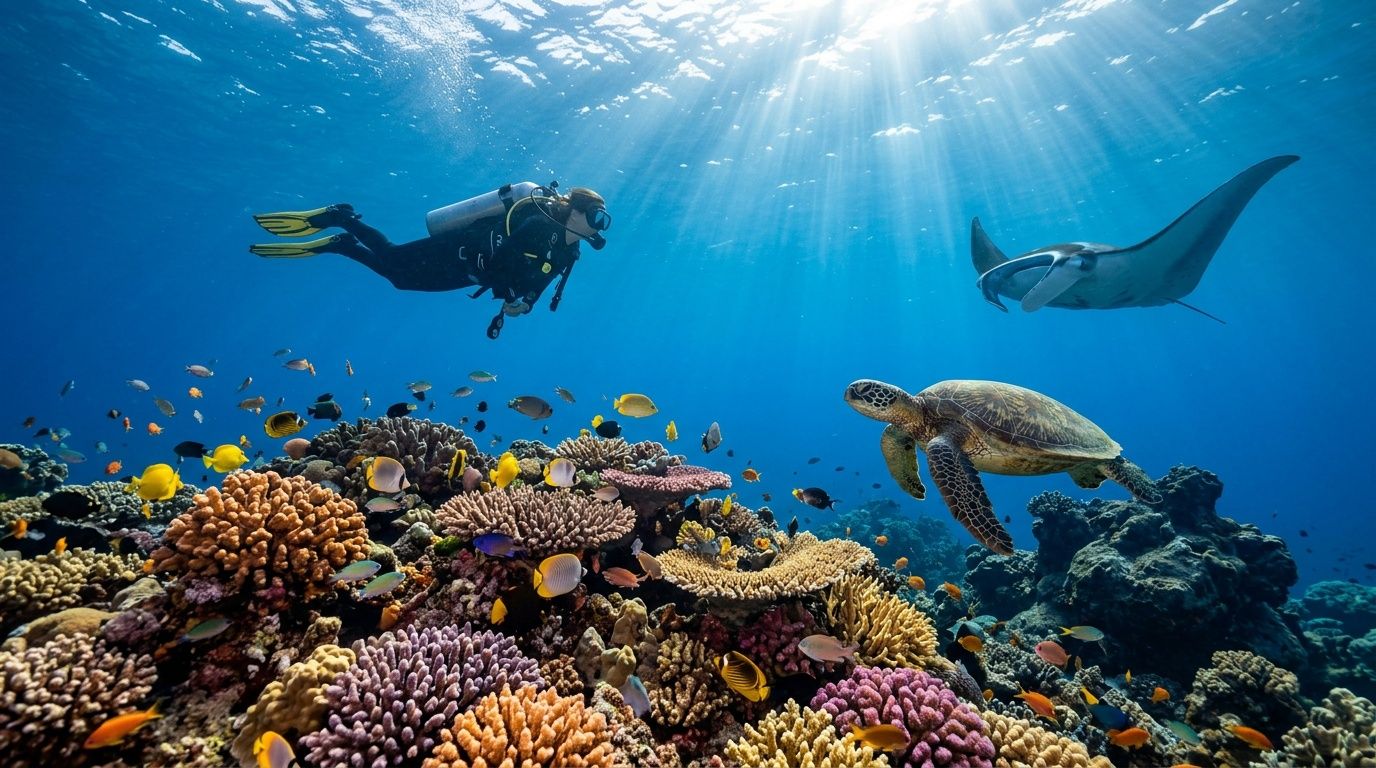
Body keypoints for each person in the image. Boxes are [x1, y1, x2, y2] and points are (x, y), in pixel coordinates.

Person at [248, 184, 610, 338]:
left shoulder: (570, 252)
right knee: (391, 257)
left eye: (602, 220)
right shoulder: (537, 222)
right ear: (573, 211)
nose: (598, 225)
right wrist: (511, 291)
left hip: (469, 275)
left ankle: (342, 244)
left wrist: (524, 304)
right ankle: (343, 218)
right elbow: (507, 257)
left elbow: (539, 286)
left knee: (400, 280)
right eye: (595, 215)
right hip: (458, 250)